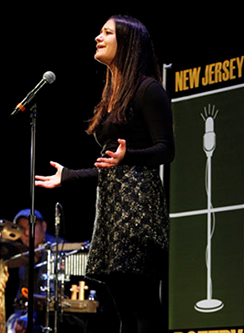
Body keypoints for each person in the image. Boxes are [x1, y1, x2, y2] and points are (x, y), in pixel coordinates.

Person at [35, 15, 174, 333]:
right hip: (111, 209)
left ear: (127, 44)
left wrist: (130, 156)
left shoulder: (147, 89)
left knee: (143, 304)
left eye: (107, 33)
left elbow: (167, 149)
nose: (98, 37)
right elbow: (110, 166)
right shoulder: (113, 94)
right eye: (100, 32)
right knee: (122, 307)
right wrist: (69, 176)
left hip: (139, 209)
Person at [6, 209, 64, 333]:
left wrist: (29, 318)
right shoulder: (23, 255)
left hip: (54, 318)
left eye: (31, 226)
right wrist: (16, 321)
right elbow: (21, 296)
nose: (27, 233)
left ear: (43, 226)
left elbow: (52, 296)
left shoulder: (59, 249)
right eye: (22, 228)